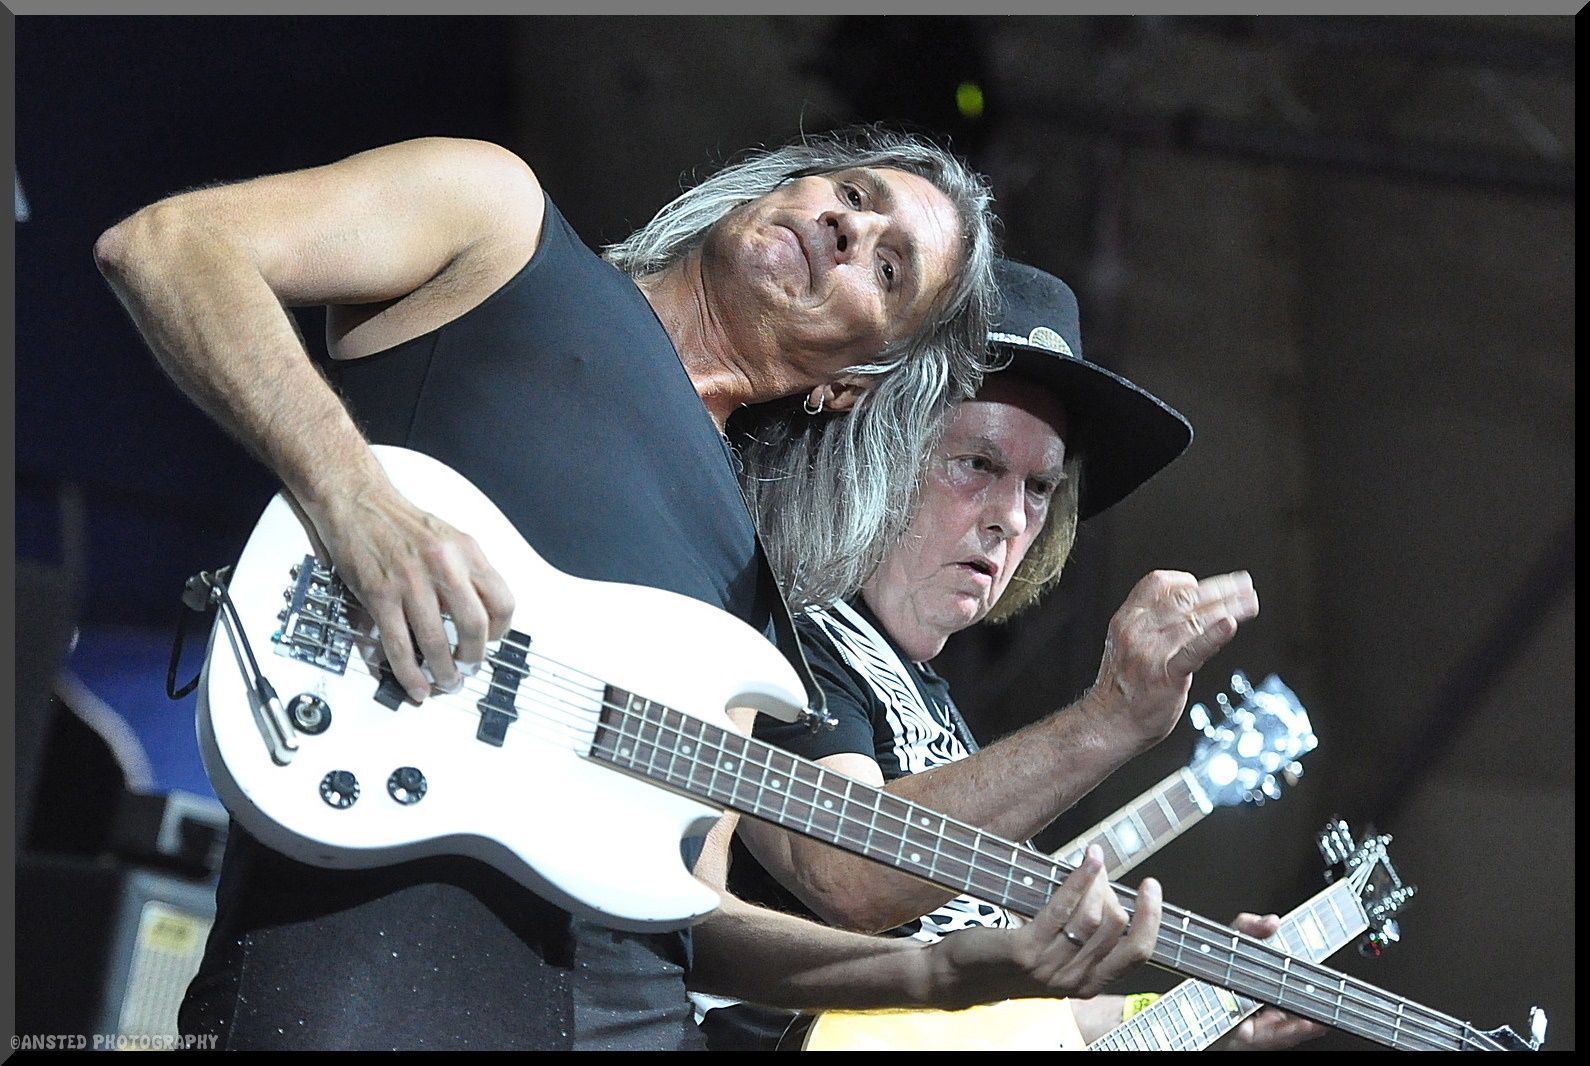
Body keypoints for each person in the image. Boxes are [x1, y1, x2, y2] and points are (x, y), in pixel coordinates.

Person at [95, 131, 1161, 1051]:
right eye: (852, 193)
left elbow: (690, 910)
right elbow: (172, 246)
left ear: (855, 383)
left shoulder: (751, 598)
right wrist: (353, 496)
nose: (849, 228)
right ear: (775, 185)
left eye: (888, 269)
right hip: (357, 980)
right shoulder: (499, 226)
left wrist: (941, 974)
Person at [707, 259, 1325, 1050]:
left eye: (1039, 487)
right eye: (978, 465)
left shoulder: (934, 709)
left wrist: (1210, 1013)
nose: (1011, 517)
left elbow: (1004, 1017)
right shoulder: (788, 630)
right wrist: (1109, 720)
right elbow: (847, 869)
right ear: (878, 451)